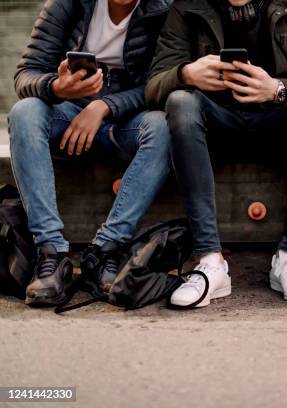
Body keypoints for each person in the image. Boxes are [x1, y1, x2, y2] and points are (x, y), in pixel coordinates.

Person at [145, 0, 287, 308]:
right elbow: (154, 86)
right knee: (180, 103)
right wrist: (186, 74)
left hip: (278, 121)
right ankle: (210, 262)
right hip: (215, 123)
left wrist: (277, 89)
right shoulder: (187, 7)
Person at [8, 0, 172, 307]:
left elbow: (161, 83)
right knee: (24, 113)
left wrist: (104, 106)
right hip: (68, 116)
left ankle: (106, 249)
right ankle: (51, 253)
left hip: (127, 122)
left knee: (164, 125)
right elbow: (25, 75)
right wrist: (57, 88)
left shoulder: (163, 9)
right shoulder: (66, 4)